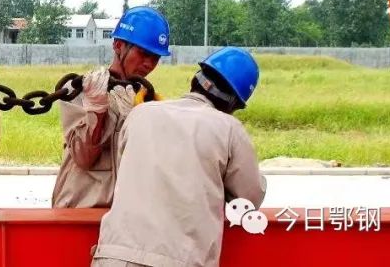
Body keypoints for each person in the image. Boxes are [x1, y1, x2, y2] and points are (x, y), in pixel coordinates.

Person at [91, 47, 267, 267]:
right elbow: (248, 200)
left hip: (114, 255)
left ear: (196, 79)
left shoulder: (140, 114)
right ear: (234, 103)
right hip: (181, 260)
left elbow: (125, 172)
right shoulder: (229, 128)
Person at [52, 6, 171, 208]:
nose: (149, 64)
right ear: (118, 45)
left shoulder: (146, 100)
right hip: (80, 208)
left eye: (155, 58)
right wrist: (97, 111)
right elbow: (83, 158)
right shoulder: (81, 91)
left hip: (124, 213)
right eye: (143, 53)